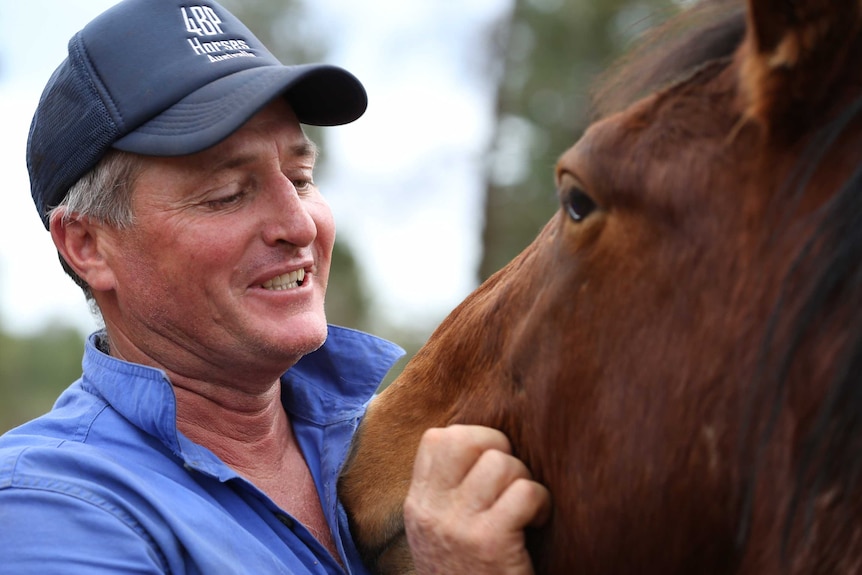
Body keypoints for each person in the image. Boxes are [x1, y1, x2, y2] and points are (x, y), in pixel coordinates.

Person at [0, 1, 551, 574]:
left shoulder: (395, 444)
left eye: (301, 178)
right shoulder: (44, 506)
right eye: (228, 194)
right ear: (88, 245)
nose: (298, 225)